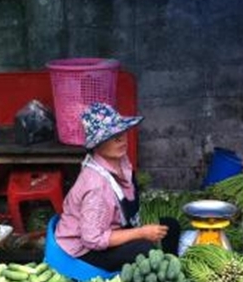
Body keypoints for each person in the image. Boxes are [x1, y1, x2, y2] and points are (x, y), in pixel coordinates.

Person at [55, 102, 179, 272]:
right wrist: (140, 232)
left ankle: (172, 273)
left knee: (170, 226)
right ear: (97, 145)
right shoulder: (96, 186)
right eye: (112, 136)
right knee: (143, 249)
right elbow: (92, 240)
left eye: (121, 132)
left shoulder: (120, 161)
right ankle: (159, 275)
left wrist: (141, 229)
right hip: (85, 251)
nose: (121, 139)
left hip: (110, 230)